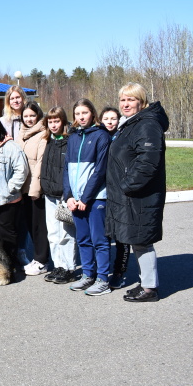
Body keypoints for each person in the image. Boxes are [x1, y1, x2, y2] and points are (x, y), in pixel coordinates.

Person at [106, 83, 169, 302]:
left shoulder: (147, 125)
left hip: (140, 196)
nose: (125, 104)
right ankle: (145, 284)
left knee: (142, 241)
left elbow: (148, 162)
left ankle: (150, 289)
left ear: (141, 102)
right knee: (137, 240)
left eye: (131, 100)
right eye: (122, 99)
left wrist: (126, 186)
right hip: (130, 196)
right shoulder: (131, 124)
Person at [64, 99, 112, 296]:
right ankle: (87, 274)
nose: (81, 117)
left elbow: (100, 171)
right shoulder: (73, 137)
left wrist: (85, 198)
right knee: (83, 239)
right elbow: (66, 169)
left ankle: (103, 279)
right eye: (77, 114)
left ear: (92, 113)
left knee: (99, 240)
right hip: (76, 200)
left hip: (95, 198)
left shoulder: (101, 136)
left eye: (84, 113)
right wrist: (68, 196)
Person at [0, 114, 29, 271]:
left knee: (7, 234)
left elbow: (21, 170)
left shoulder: (10, 147)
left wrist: (10, 189)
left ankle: (11, 264)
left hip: (8, 199)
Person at [39, 107, 78, 284]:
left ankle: (69, 267)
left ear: (63, 121)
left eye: (57, 121)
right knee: (53, 233)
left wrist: (68, 193)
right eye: (50, 121)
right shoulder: (48, 140)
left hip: (64, 195)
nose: (53, 125)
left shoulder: (70, 141)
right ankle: (58, 265)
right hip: (49, 194)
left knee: (66, 234)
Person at [17, 102, 50, 276]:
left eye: (32, 116)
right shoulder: (21, 134)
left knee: (39, 227)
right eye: (26, 116)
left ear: (38, 116)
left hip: (34, 189)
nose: (29, 119)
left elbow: (40, 163)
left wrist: (35, 190)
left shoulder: (43, 134)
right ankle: (37, 258)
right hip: (23, 188)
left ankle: (42, 260)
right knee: (30, 225)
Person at [100, 106, 130, 289]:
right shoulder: (99, 136)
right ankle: (101, 271)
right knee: (104, 236)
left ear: (119, 120)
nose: (110, 122)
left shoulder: (123, 137)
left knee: (122, 238)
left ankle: (119, 273)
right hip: (103, 193)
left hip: (120, 193)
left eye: (113, 118)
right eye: (106, 118)